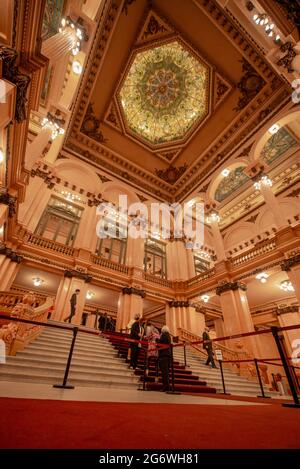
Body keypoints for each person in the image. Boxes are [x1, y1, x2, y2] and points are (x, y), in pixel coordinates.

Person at [157, 325, 172, 391]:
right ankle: (167, 386)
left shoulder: (164, 335)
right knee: (166, 372)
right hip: (167, 355)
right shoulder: (168, 335)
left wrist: (157, 340)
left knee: (164, 372)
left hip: (164, 355)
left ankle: (166, 387)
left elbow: (161, 343)